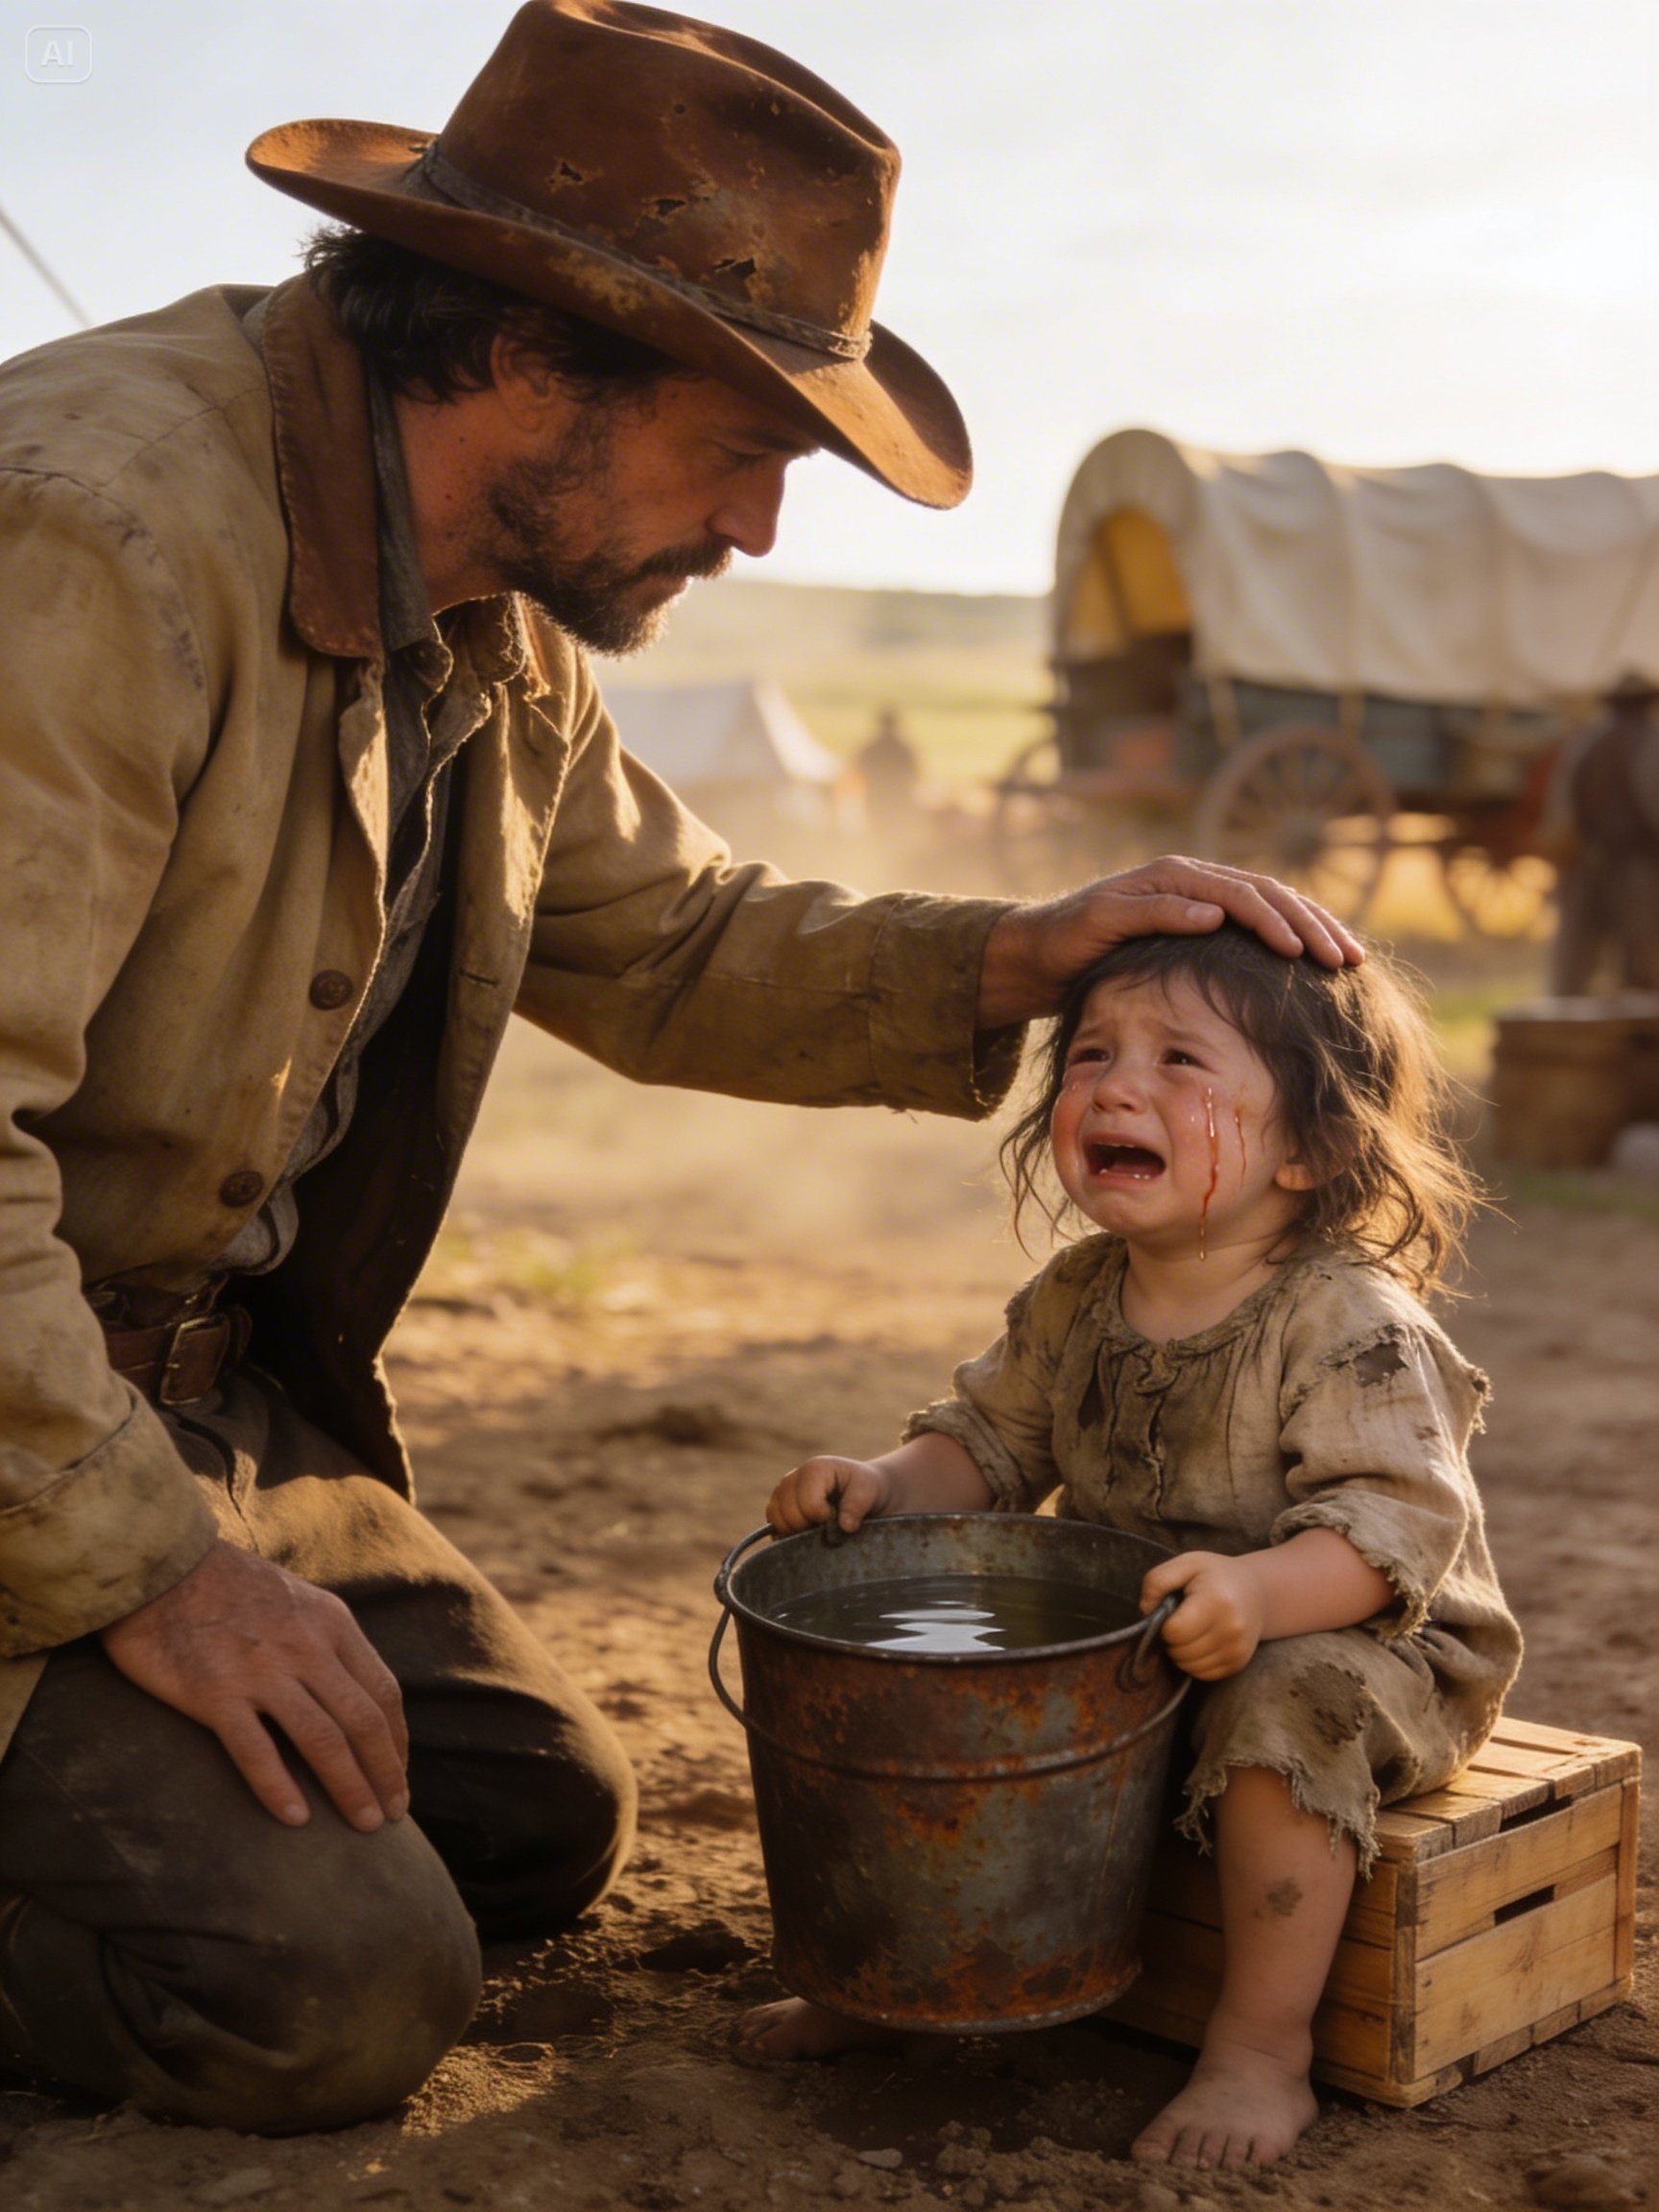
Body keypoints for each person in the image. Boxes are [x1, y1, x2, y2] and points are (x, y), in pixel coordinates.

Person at [0, 0, 1359, 2134]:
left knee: (536, 1824)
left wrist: (1019, 950)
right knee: (335, 1998)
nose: (758, 532)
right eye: (747, 449)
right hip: (30, 1409)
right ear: (528, 351)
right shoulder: (96, 536)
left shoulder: (489, 609)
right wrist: (159, 1581)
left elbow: (674, 940)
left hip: (185, 1397)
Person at [751, 925, 1521, 2170]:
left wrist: (1260, 1593)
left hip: (1364, 1646)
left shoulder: (1347, 1320)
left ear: (1312, 1147)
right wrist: (883, 1486)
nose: (1116, 1085)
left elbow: (1395, 1537)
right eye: (1094, 1053)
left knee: (1282, 1704)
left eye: (1180, 1061)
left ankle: (1262, 2051)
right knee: (915, 1662)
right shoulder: (1075, 1291)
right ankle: (886, 1971)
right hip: (1142, 1639)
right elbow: (989, 1448)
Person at [1548, 679, 1659, 994]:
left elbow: (1562, 807)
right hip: (1639, 868)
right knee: (1641, 961)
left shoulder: (1584, 743)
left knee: (1578, 957)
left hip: (1588, 860)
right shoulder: (1650, 742)